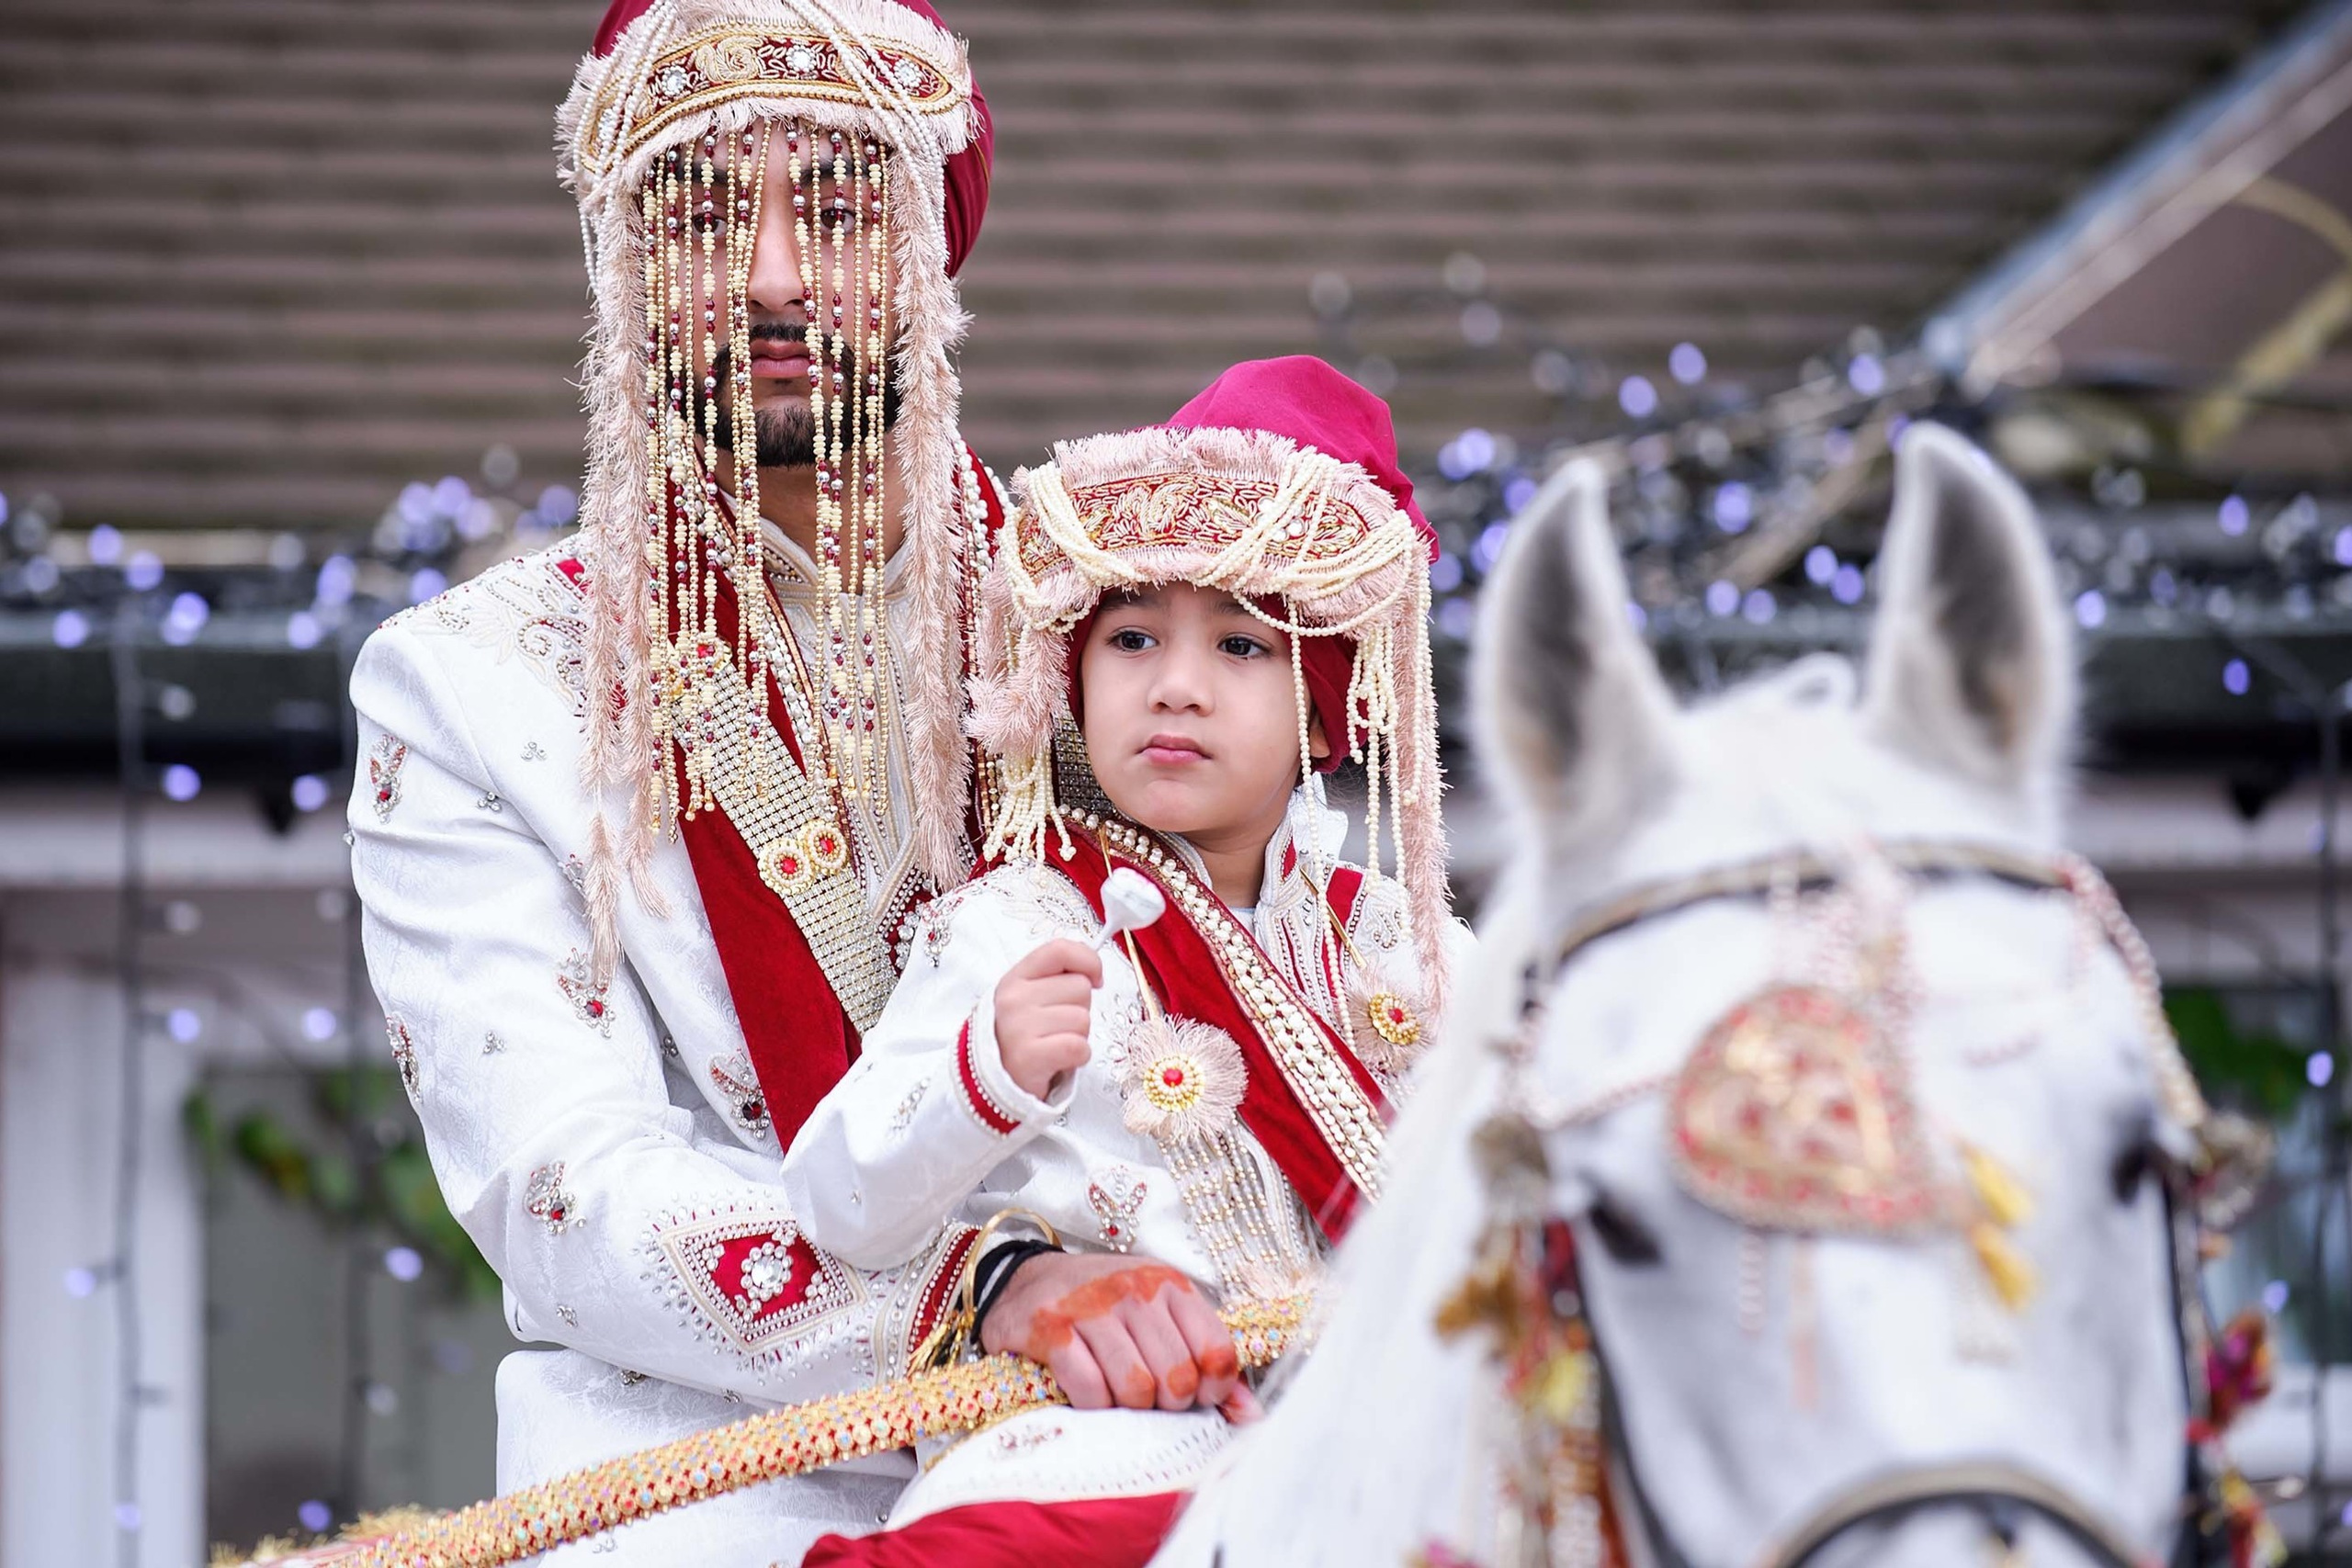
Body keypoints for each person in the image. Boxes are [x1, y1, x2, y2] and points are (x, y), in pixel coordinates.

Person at [346, 3, 1237, 1559]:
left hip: (1155, 1416)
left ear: (930, 254)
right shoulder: (473, 685)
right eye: (700, 215)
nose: (767, 276)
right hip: (704, 1480)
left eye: (832, 210)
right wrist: (996, 1292)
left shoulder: (1121, 623)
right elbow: (568, 1196)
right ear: (622, 266)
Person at [777, 355, 1455, 1566]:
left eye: (1241, 648)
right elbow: (835, 1198)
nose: (1177, 688)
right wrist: (984, 1070)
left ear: (1325, 702)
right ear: (1071, 680)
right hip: (1114, 1441)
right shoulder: (1014, 926)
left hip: (1382, 1435)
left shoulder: (1409, 947)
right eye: (1133, 636)